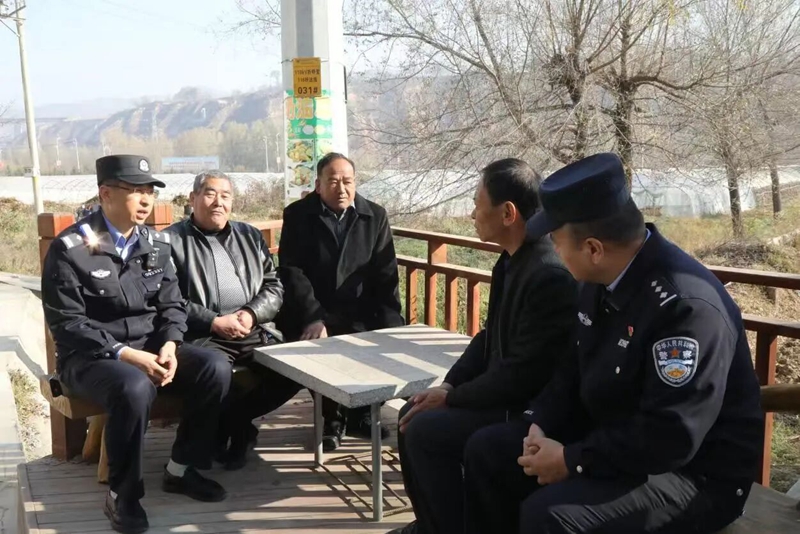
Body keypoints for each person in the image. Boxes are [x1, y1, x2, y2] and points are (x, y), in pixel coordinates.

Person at [463, 152, 764, 534]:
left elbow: (670, 436)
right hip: (616, 438)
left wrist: (572, 460)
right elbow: (572, 369)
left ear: (593, 249)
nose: (553, 250)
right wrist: (540, 423)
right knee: (490, 451)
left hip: (695, 475)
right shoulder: (600, 280)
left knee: (550, 516)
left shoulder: (685, 308)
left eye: (557, 241)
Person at [41, 155, 231, 534]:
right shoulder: (71, 248)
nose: (145, 200)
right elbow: (68, 324)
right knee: (133, 386)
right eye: (134, 191)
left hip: (149, 347)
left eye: (149, 192)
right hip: (90, 357)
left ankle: (181, 468)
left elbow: (172, 305)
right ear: (105, 194)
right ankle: (122, 494)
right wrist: (126, 354)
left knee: (215, 368)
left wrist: (171, 345)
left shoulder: (157, 244)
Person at [387, 159, 578, 534]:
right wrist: (448, 385)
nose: (472, 214)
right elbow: (488, 337)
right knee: (413, 412)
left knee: (425, 430)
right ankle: (432, 523)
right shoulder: (511, 261)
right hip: (504, 395)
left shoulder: (549, 274)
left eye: (477, 204)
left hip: (529, 412)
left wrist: (453, 399)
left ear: (507, 213)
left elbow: (523, 374)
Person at [166, 170, 301, 470]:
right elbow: (168, 299)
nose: (219, 202)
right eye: (210, 194)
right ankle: (194, 459)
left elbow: (273, 285)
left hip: (253, 329)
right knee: (216, 374)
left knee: (295, 369)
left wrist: (251, 313)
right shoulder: (171, 241)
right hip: (204, 335)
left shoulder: (249, 236)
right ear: (193, 198)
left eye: (225, 196)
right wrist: (214, 321)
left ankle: (236, 422)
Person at [277, 152, 404, 451]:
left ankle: (363, 413)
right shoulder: (298, 214)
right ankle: (332, 418)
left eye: (348, 181)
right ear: (318, 185)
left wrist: (392, 325)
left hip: (361, 311)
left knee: (383, 343)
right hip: (314, 310)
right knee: (315, 346)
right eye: (333, 181)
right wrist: (313, 316)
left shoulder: (375, 215)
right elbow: (292, 271)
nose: (342, 188)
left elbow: (386, 274)